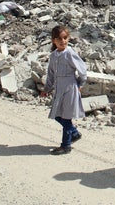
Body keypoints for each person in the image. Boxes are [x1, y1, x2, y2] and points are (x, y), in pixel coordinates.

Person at [41, 25, 87, 155]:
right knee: (57, 115)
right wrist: (47, 88)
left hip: (70, 87)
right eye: (59, 39)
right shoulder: (54, 55)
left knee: (66, 117)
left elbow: (82, 70)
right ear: (53, 41)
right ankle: (74, 133)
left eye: (65, 38)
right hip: (59, 87)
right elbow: (50, 73)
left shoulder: (70, 53)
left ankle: (65, 145)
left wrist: (80, 85)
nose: (63, 41)